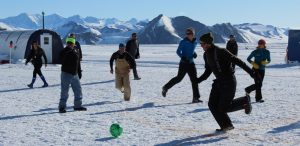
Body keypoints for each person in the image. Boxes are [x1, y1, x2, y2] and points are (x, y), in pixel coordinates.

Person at [197, 33, 260, 132]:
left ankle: (244, 101)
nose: (201, 45)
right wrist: (198, 80)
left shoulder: (221, 51)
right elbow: (208, 71)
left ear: (208, 43)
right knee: (212, 105)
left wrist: (252, 73)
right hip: (218, 82)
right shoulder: (206, 55)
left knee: (223, 107)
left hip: (229, 81)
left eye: (202, 43)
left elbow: (239, 62)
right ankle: (226, 125)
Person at [162, 28, 201, 103]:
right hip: (183, 63)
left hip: (191, 64)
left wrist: (194, 54)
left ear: (193, 34)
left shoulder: (195, 42)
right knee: (179, 78)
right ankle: (165, 87)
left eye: (189, 33)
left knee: (194, 80)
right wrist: (183, 57)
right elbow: (178, 51)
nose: (188, 35)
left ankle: (196, 98)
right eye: (187, 34)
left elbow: (191, 50)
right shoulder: (183, 42)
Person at [58, 37, 86, 113]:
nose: (70, 44)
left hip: (75, 74)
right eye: (69, 43)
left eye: (71, 43)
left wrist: (79, 72)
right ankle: (62, 107)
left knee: (78, 90)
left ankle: (77, 106)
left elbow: (78, 62)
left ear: (74, 43)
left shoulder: (76, 50)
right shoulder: (64, 51)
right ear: (67, 44)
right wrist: (67, 50)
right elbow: (60, 58)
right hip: (66, 73)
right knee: (64, 91)